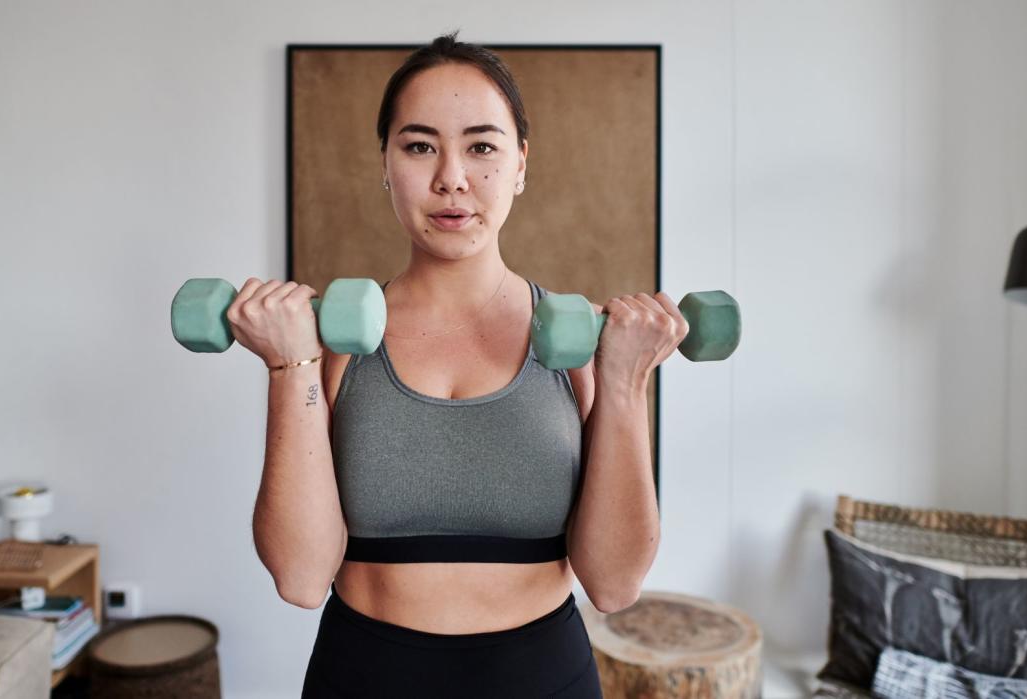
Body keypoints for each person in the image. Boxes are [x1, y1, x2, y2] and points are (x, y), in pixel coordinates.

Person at [228, 32, 688, 698]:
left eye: (481, 146)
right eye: (419, 146)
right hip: (364, 675)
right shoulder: (329, 346)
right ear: (385, 162)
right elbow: (301, 578)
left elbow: (614, 584)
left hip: (543, 677)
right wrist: (286, 366)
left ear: (521, 164)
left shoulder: (579, 344)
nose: (451, 177)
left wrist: (625, 382)